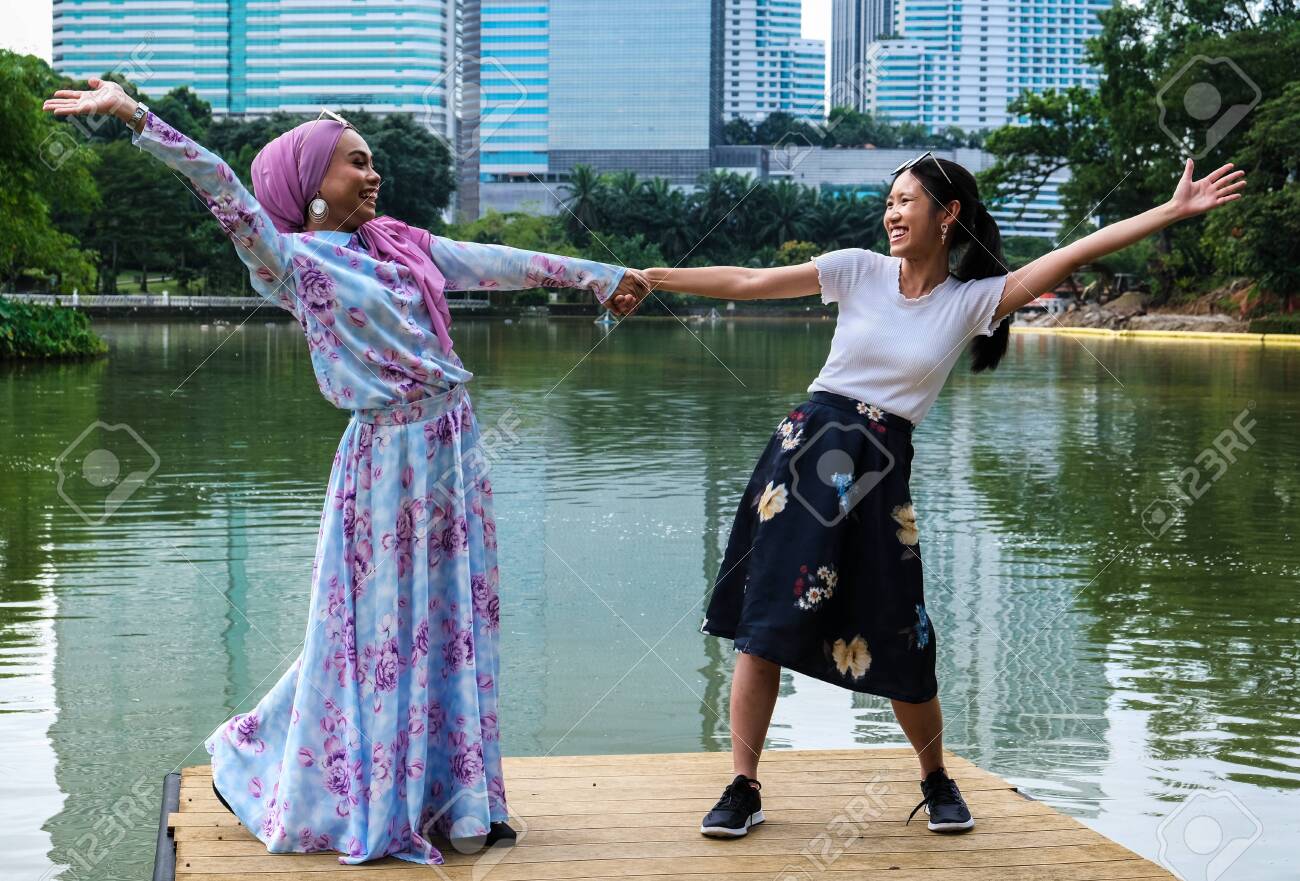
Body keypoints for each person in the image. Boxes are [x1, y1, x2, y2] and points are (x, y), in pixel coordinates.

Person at [43, 77, 649, 867]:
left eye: (373, 164)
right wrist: (137, 118)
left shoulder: (401, 246)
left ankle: (462, 801)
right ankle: (261, 754)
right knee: (374, 634)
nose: (372, 175)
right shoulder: (292, 263)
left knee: (451, 624)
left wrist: (599, 275)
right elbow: (220, 188)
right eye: (354, 164)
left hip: (452, 449)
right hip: (386, 461)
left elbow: (502, 262)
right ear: (310, 183)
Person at [644, 150, 1245, 838]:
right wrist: (657, 276)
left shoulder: (972, 302)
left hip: (879, 472)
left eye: (908, 200)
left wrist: (1170, 212)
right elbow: (750, 279)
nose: (893, 213)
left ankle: (934, 777)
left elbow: (1072, 254)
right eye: (890, 201)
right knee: (764, 630)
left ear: (947, 213)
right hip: (808, 453)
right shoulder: (856, 270)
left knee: (904, 631)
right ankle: (744, 785)